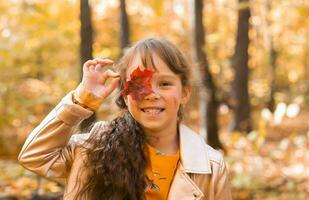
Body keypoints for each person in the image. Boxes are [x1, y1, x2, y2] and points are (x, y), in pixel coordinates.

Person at [18, 37, 232, 200]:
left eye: (165, 84)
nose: (151, 94)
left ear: (185, 92)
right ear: (124, 93)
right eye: (139, 84)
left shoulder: (210, 167)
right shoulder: (95, 146)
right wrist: (81, 101)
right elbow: (35, 156)